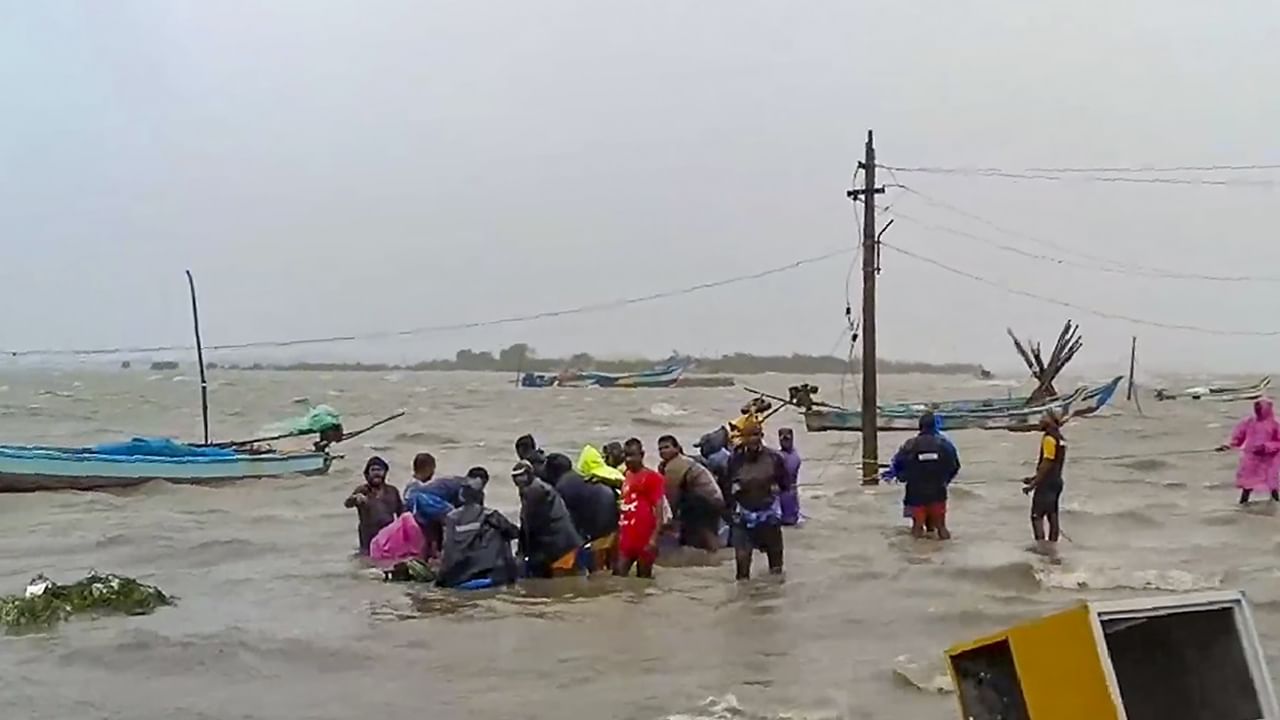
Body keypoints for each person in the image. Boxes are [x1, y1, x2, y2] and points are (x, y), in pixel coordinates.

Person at [436, 468, 521, 589]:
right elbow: (514, 532)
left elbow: (447, 547)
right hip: (486, 574)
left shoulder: (451, 517)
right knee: (499, 532)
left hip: (454, 577)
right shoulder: (490, 515)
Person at [726, 421, 791, 580]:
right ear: (743, 438)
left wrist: (775, 493)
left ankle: (774, 598)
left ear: (762, 436)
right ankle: (743, 599)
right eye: (750, 435)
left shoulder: (774, 458)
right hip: (743, 516)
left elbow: (785, 484)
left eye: (757, 435)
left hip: (768, 514)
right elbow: (727, 487)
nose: (754, 439)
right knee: (742, 566)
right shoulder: (735, 459)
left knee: (776, 567)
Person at [891, 412, 961, 539]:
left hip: (915, 494)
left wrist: (902, 476)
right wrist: (945, 480)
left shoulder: (910, 445)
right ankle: (945, 555)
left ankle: (915, 554)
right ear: (935, 426)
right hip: (938, 491)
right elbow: (955, 466)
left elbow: (897, 465)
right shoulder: (944, 445)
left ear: (920, 426)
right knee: (941, 528)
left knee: (917, 528)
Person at [511, 460, 583, 577]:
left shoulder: (534, 490)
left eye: (521, 476)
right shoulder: (533, 487)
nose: (518, 480)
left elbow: (530, 524)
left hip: (560, 545)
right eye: (515, 477)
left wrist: (523, 553)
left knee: (563, 583)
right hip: (560, 542)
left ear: (529, 474)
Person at [657, 435, 724, 551]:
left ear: (677, 448)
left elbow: (671, 496)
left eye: (666, 447)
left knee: (703, 528)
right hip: (711, 499)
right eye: (660, 449)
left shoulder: (676, 465)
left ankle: (714, 554)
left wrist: (666, 522)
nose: (663, 451)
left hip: (706, 500)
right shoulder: (680, 461)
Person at [614, 438, 666, 578]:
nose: (628, 459)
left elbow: (660, 510)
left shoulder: (652, 478)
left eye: (632, 455)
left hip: (645, 538)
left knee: (643, 580)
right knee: (618, 576)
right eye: (626, 455)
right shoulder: (627, 475)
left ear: (641, 455)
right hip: (627, 537)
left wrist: (654, 539)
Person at [544, 452, 620, 545]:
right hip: (613, 520)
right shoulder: (575, 476)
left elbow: (565, 521)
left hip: (601, 527)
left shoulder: (561, 487)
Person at [1219, 398, 1280, 504]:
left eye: (1259, 408)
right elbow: (1238, 436)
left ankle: (1276, 505)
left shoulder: (1274, 424)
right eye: (1256, 408)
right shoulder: (1249, 422)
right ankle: (1242, 506)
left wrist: (1266, 447)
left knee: (1271, 484)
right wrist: (1227, 445)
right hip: (1251, 458)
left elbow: (1278, 442)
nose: (1257, 411)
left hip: (1268, 460)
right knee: (1247, 484)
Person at [343, 456, 404, 555]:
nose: (376, 473)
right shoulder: (362, 490)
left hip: (389, 538)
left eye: (379, 470)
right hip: (368, 540)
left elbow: (402, 514)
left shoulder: (392, 491)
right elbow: (347, 504)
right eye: (373, 470)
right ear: (367, 474)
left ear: (385, 473)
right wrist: (355, 499)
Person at [1023, 410, 1067, 543]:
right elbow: (1054, 464)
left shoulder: (1049, 439)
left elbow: (1047, 462)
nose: (1040, 421)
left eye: (1043, 418)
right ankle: (1053, 545)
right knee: (1052, 515)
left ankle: (1042, 547)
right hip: (1056, 481)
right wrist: (1033, 478)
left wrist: (1033, 484)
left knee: (1037, 516)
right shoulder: (1060, 438)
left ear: (1050, 421)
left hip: (1046, 484)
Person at [777, 428, 803, 526]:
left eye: (787, 440)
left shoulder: (791, 456)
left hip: (789, 491)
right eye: (783, 440)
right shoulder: (778, 456)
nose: (785, 442)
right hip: (783, 493)